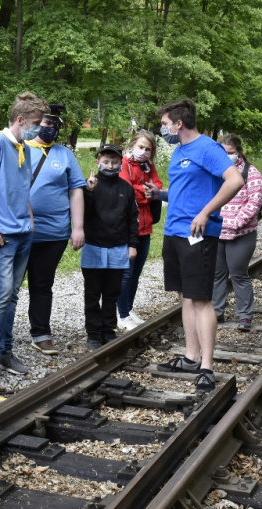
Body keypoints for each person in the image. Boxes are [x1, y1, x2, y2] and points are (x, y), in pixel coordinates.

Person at [146, 99, 244, 393]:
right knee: (185, 295)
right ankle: (191, 357)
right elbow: (184, 189)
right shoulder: (180, 151)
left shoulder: (207, 148)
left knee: (201, 298)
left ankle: (206, 367)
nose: (162, 129)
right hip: (175, 231)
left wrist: (205, 212)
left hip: (198, 233)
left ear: (179, 123)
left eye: (165, 124)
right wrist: (160, 194)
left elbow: (234, 180)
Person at [0, 92, 48, 383]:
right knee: (3, 293)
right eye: (35, 123)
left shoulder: (26, 148)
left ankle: (5, 350)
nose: (39, 128)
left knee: (13, 295)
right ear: (20, 120)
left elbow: (22, 187)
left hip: (23, 232)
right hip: (2, 235)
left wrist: (29, 216)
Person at [24, 103, 85, 355]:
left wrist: (78, 227)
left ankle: (41, 333)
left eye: (54, 124)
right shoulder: (20, 148)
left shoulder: (65, 155)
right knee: (8, 284)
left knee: (42, 283)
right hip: (19, 231)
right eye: (46, 123)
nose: (50, 128)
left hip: (54, 233)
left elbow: (76, 190)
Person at [82, 144, 139, 350]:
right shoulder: (90, 185)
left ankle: (108, 330)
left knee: (111, 294)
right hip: (93, 247)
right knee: (92, 294)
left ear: (120, 163)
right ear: (98, 162)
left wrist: (133, 245)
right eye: (106, 161)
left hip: (118, 248)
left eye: (114, 162)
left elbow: (133, 219)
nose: (110, 165)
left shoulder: (126, 188)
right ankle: (93, 334)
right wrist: (88, 191)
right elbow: (83, 213)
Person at [212, 134, 262, 331]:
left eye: (231, 153)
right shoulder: (215, 171)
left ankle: (244, 316)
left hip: (241, 234)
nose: (228, 156)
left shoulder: (251, 172)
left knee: (238, 274)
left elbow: (254, 202)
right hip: (217, 232)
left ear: (239, 151)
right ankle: (217, 312)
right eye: (224, 153)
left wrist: (234, 223)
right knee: (217, 274)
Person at [117, 129, 163, 331]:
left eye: (148, 149)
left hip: (145, 226)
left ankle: (128, 308)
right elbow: (127, 192)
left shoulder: (148, 166)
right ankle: (120, 314)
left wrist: (152, 192)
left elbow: (158, 186)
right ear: (132, 145)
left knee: (136, 273)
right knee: (126, 273)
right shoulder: (124, 164)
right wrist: (148, 193)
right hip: (129, 227)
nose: (144, 151)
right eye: (141, 147)